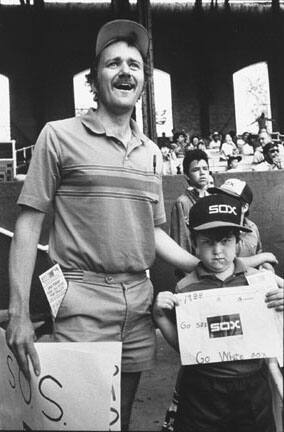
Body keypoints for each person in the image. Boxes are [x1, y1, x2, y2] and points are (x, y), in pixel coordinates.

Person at [6, 19, 202, 431]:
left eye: (134, 64)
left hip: (138, 301)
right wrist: (20, 313)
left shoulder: (151, 152)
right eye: (113, 63)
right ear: (95, 78)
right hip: (80, 297)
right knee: (79, 422)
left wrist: (205, 266)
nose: (125, 71)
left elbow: (155, 232)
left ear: (143, 82)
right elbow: (27, 227)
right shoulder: (57, 136)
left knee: (120, 420)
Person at [154, 193, 283, 432]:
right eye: (208, 242)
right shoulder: (185, 288)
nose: (218, 251)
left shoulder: (259, 282)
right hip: (202, 388)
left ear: (237, 242)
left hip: (253, 385)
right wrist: (161, 317)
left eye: (225, 241)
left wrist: (281, 309)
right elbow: (186, 347)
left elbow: (275, 335)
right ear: (194, 243)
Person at [208, 178, 274, 271]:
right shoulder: (212, 227)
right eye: (221, 197)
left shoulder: (252, 227)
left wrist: (265, 264)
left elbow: (258, 252)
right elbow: (225, 264)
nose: (223, 201)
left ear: (245, 207)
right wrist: (264, 257)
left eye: (229, 199)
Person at [170, 149, 210, 256]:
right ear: (187, 175)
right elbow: (181, 242)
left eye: (205, 169)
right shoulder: (182, 203)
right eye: (196, 170)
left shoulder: (212, 199)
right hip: (192, 265)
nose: (202, 173)